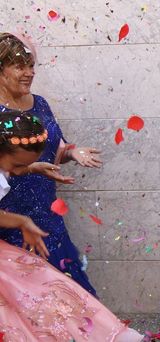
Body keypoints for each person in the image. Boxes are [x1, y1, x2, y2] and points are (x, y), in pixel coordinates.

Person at [0, 111, 143, 341]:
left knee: (42, 290)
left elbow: (10, 167)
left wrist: (33, 168)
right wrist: (22, 221)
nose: (17, 172)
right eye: (18, 165)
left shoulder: (7, 162)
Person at [0, 33, 101, 295]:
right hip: (8, 215)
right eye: (20, 66)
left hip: (46, 210)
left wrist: (72, 152)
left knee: (68, 293)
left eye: (31, 65)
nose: (29, 73)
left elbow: (55, 147)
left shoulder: (40, 104)